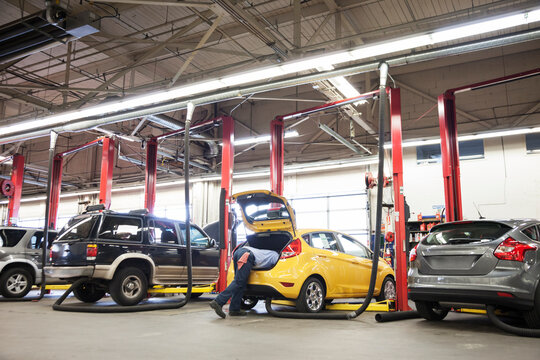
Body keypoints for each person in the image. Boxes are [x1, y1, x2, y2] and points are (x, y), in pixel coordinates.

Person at [209, 245, 279, 318]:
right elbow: (274, 269)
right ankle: (218, 301)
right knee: (239, 281)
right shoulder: (276, 256)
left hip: (239, 252)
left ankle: (234, 309)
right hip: (246, 255)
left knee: (240, 283)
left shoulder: (268, 253)